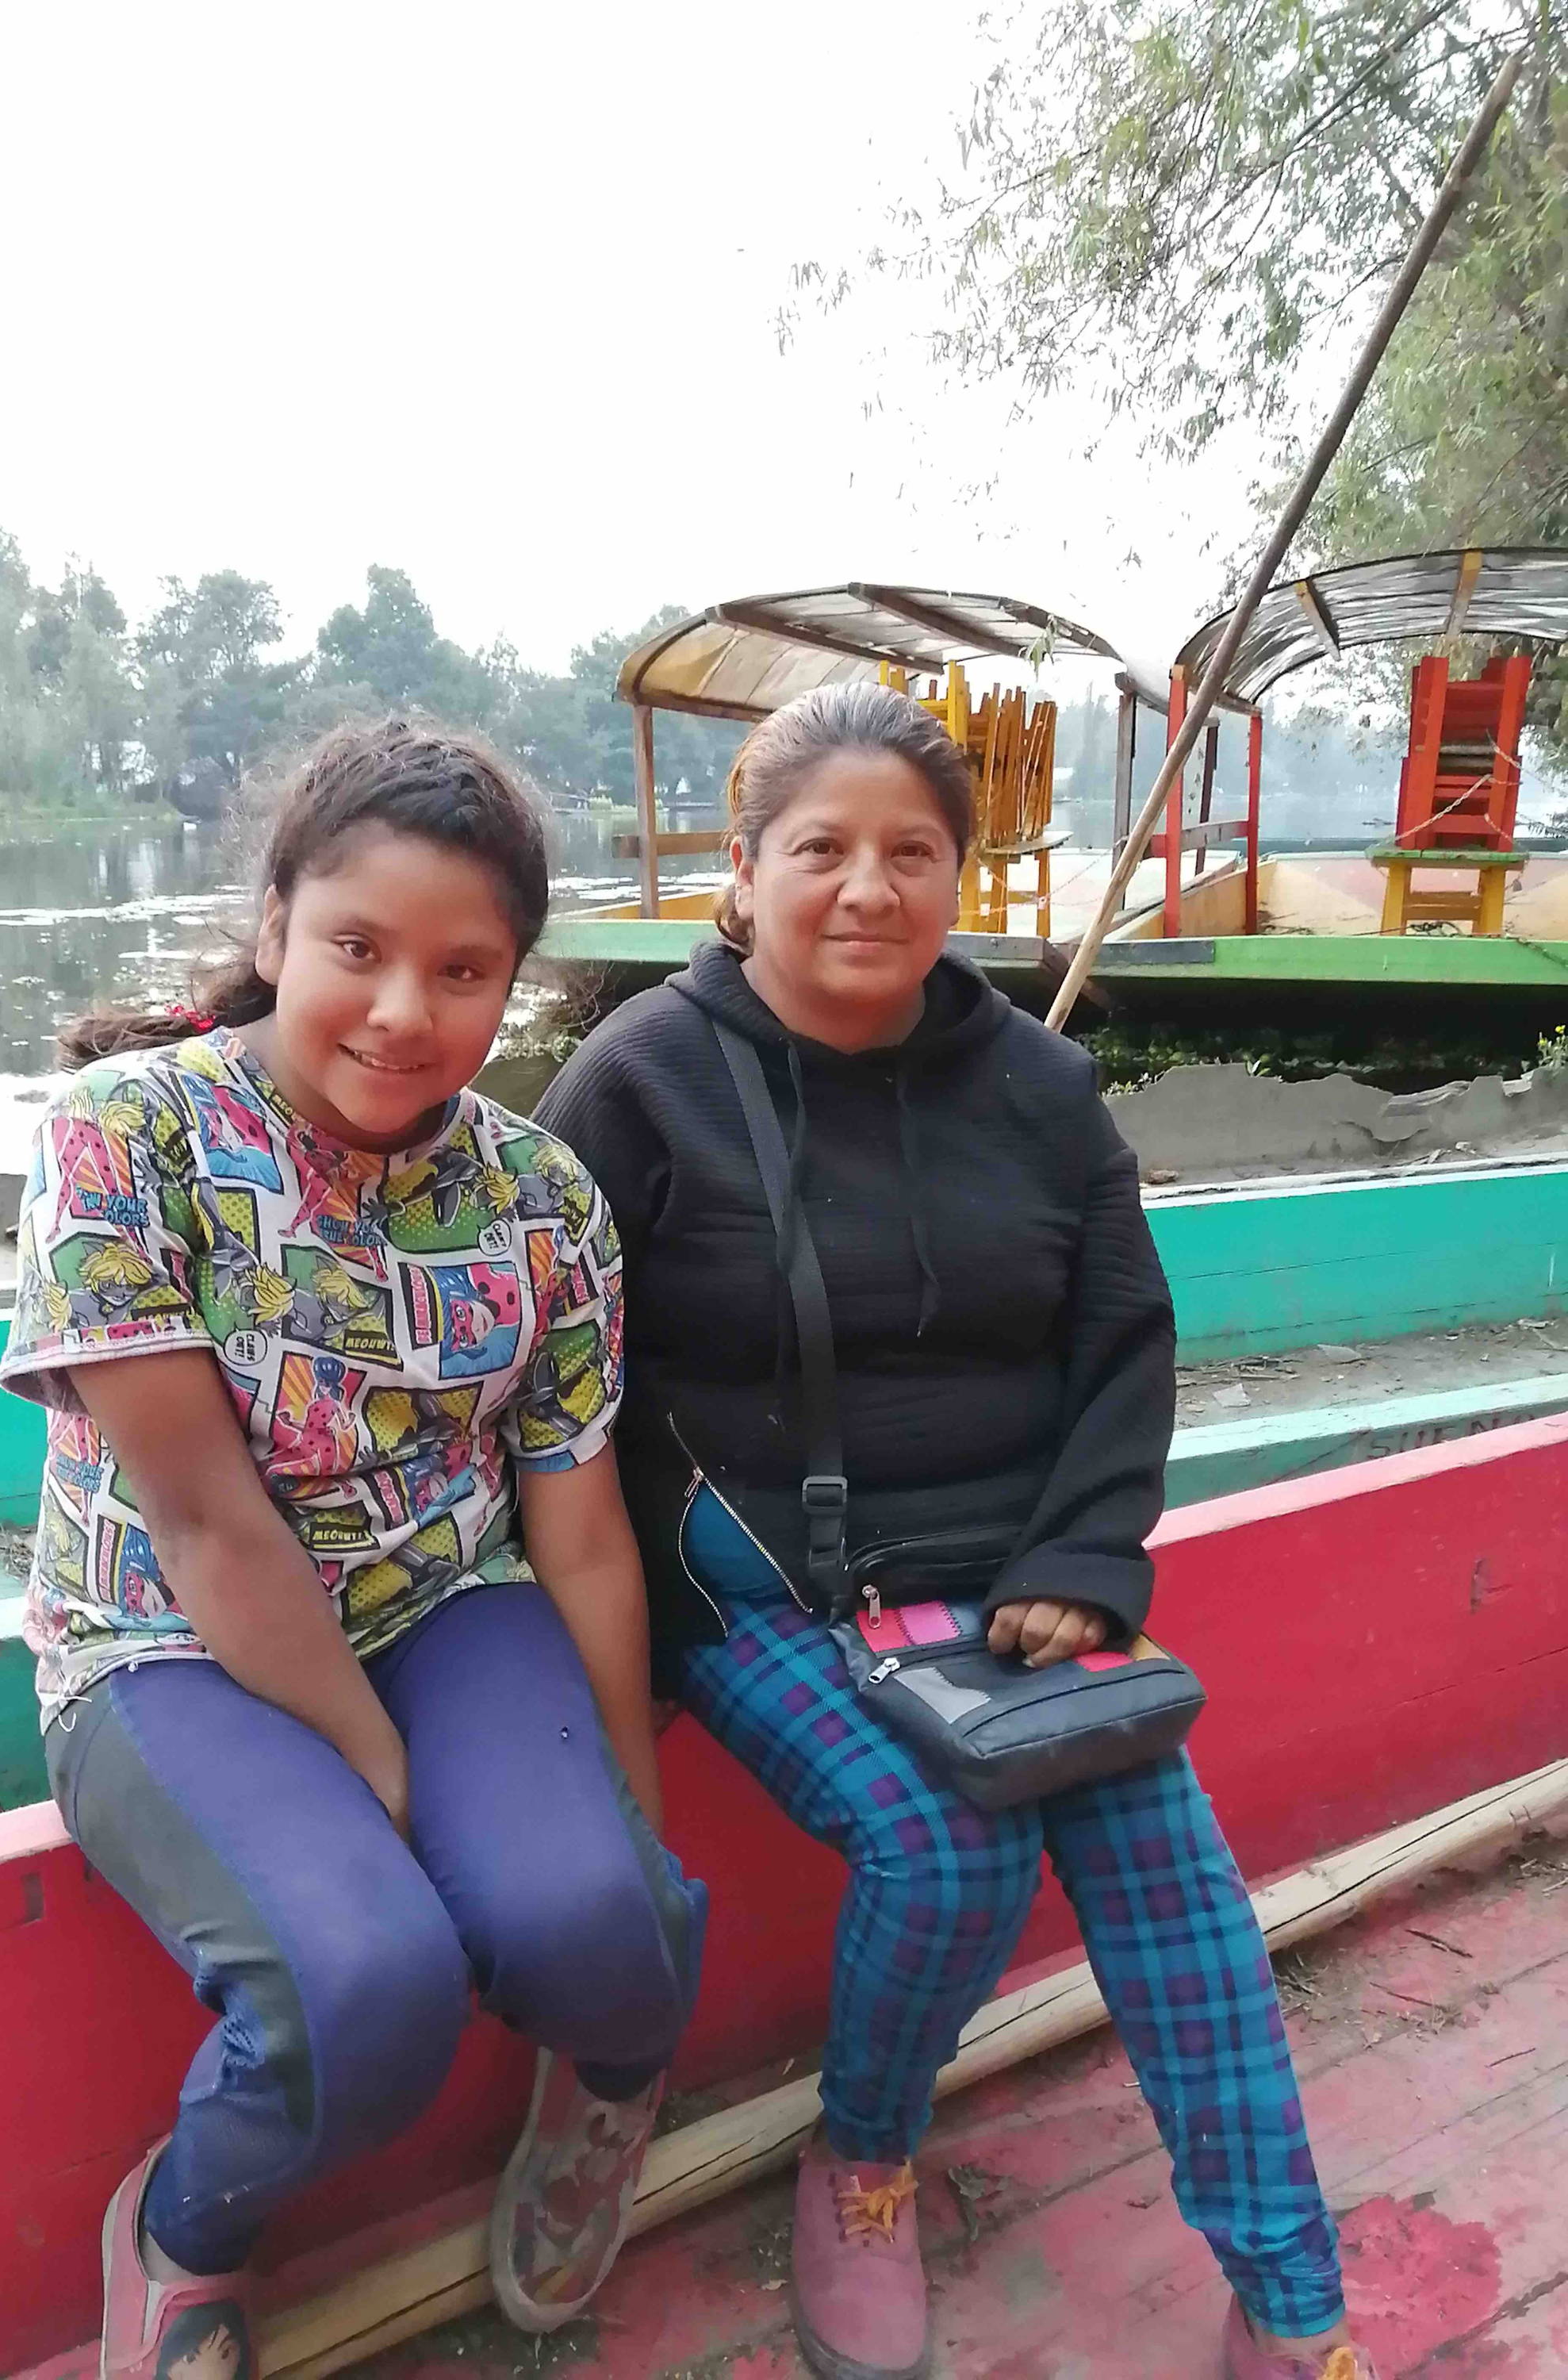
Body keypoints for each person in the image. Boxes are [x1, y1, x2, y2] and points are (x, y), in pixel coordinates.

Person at [537, 684, 1375, 2380]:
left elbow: (1123, 1341)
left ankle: (1291, 2296)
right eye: (823, 849)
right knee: (949, 1850)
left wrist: (1083, 1562)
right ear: (744, 865)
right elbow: (551, 1373)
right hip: (756, 1573)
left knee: (1171, 1870)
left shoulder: (1045, 1087)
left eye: (912, 852)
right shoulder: (639, 1082)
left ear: (964, 878)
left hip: (1013, 1584)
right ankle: (862, 2156)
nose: (868, 889)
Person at [0, 720, 704, 2380]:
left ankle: (607, 2096)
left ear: (516, 981)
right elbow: (205, 1519)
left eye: (463, 970)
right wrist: (381, 1775)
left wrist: (630, 1826)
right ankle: (188, 2234)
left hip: (443, 1600)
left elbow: (580, 1531)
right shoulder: (126, 1136)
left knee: (617, 1922)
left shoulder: (541, 1201)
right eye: (358, 949)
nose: (403, 1012)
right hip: (162, 1631)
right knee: (364, 1987)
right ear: (274, 934)